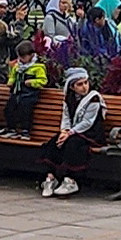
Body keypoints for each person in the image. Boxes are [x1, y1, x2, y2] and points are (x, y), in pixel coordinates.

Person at [39, 66, 105, 198]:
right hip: (73, 131)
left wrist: (70, 133)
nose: (84, 87)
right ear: (72, 87)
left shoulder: (94, 98)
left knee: (73, 144)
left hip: (90, 133)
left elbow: (88, 122)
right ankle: (51, 177)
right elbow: (66, 117)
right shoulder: (68, 98)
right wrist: (64, 131)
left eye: (86, 83)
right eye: (79, 84)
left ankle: (71, 180)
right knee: (54, 142)